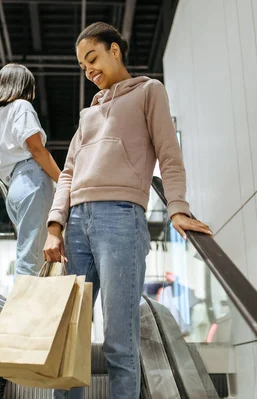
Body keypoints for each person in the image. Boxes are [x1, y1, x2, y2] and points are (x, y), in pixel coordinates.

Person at [43, 22, 213, 399]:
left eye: (93, 58)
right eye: (82, 66)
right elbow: (68, 172)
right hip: (77, 227)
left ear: (115, 50)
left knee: (120, 339)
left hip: (120, 219)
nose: (88, 70)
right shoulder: (89, 114)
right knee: (70, 339)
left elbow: (169, 155)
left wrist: (178, 208)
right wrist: (55, 224)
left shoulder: (149, 91)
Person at [0, 63, 61, 276]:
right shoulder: (21, 107)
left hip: (15, 189)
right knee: (31, 261)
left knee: (32, 255)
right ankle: (22, 309)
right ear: (25, 86)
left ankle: (32, 307)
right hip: (32, 181)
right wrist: (64, 182)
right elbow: (36, 149)